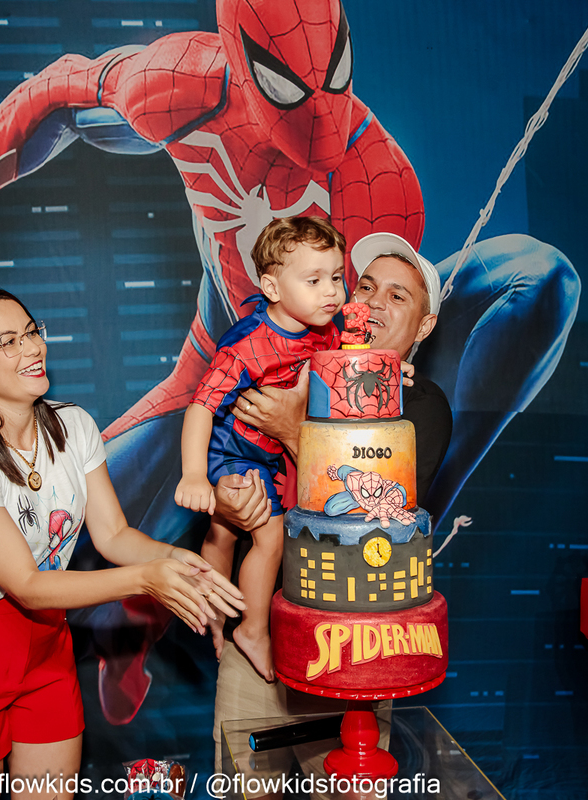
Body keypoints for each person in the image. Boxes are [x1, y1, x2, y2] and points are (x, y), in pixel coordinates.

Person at [0, 0, 577, 722]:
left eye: (334, 75)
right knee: (97, 557)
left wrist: (342, 404)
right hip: (218, 381)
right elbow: (57, 92)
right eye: (287, 85)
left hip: (330, 452)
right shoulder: (186, 86)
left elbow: (365, 371)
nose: (319, 120)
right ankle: (150, 628)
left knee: (539, 278)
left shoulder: (372, 178)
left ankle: (414, 529)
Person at [0, 288, 244, 799]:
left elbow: (114, 535)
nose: (32, 348)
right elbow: (26, 583)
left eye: (31, 332)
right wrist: (147, 579)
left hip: (47, 646)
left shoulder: (74, 425)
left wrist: (177, 559)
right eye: (7, 342)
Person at [210, 231, 453, 778]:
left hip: (349, 653)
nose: (374, 302)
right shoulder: (288, 366)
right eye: (365, 287)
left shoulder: (421, 407)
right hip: (258, 648)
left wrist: (293, 427)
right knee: (245, 786)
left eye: (398, 296)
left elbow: (373, 510)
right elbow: (227, 454)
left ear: (424, 326)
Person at [175, 216, 345, 682]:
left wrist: (389, 369)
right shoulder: (247, 346)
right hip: (231, 451)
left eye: (336, 277)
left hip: (272, 451)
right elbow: (201, 407)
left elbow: (347, 363)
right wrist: (194, 474)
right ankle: (252, 629)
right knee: (269, 538)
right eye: (313, 280)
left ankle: (214, 608)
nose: (331, 291)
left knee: (225, 532)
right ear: (271, 287)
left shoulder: (326, 328)